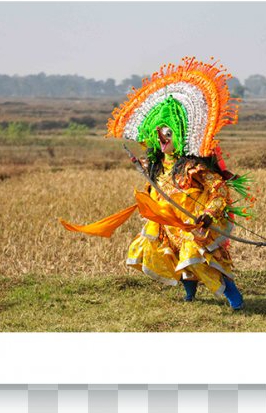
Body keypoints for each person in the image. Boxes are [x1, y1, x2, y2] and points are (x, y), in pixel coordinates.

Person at [60, 57, 254, 310]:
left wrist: (207, 216)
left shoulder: (194, 166)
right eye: (160, 134)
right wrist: (144, 171)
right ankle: (189, 292)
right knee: (165, 253)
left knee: (194, 256)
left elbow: (219, 192)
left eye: (169, 134)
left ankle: (232, 295)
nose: (163, 139)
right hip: (167, 223)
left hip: (192, 224)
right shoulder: (157, 164)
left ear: (181, 134)